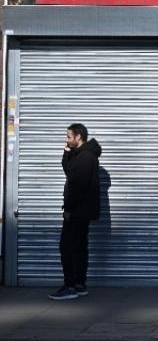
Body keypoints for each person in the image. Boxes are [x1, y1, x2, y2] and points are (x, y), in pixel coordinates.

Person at [49, 124, 102, 300]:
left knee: (67, 247)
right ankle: (79, 284)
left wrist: (69, 210)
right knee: (79, 247)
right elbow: (69, 172)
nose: (67, 139)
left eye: (69, 137)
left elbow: (77, 186)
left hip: (78, 211)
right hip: (82, 211)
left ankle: (70, 286)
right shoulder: (82, 155)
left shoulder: (85, 157)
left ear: (78, 137)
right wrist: (66, 153)